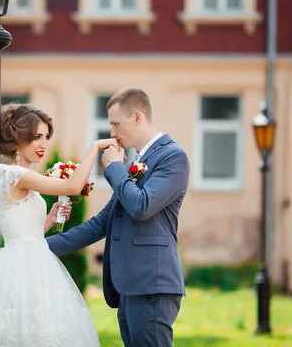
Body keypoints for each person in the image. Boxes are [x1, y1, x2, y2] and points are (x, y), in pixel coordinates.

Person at [47, 87, 190, 347]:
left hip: (151, 286)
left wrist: (113, 167)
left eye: (115, 123)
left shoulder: (173, 157)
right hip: (128, 288)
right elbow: (102, 223)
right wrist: (41, 247)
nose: (112, 133)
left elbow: (141, 206)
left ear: (137, 117)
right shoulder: (137, 162)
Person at [0, 103, 119, 347]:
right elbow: (73, 187)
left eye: (46, 137)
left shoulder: (15, 175)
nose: (43, 144)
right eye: (36, 137)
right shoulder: (15, 174)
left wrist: (49, 220)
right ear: (18, 139)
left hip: (31, 259)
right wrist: (95, 147)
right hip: (24, 270)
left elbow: (22, 232)